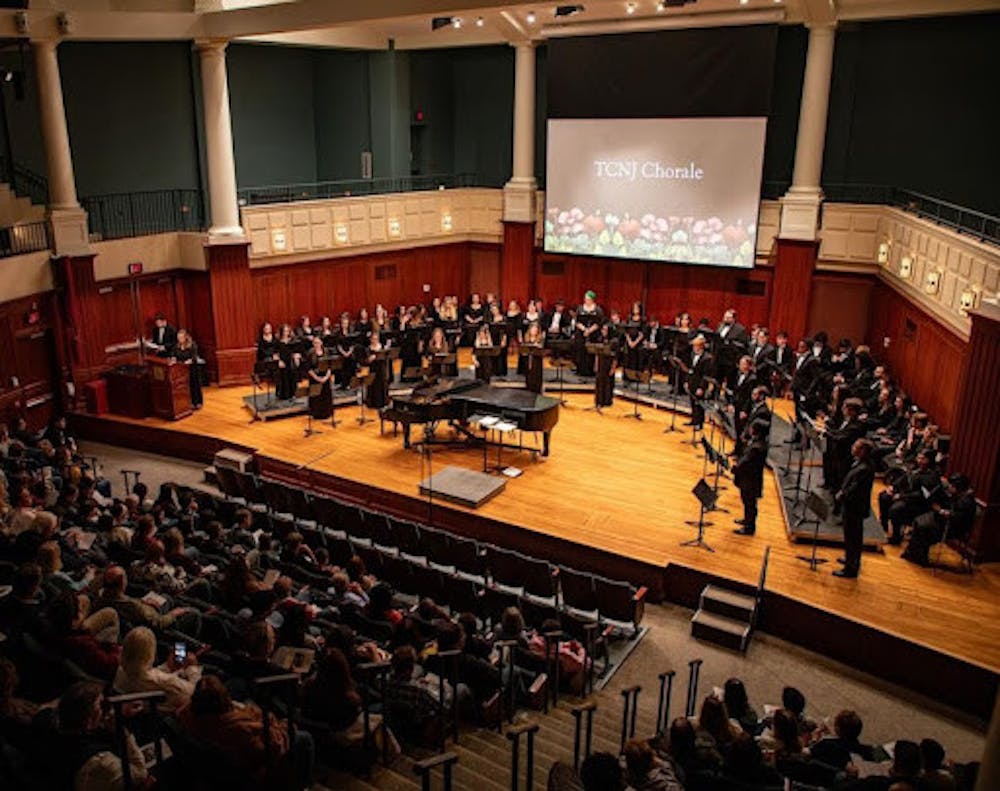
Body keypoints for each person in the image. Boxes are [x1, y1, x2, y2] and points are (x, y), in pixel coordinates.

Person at [50, 681, 148, 791]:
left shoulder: (54, 722)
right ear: (89, 721)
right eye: (102, 705)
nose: (107, 709)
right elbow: (140, 775)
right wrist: (121, 729)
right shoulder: (100, 762)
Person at [114, 625, 201, 712]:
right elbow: (194, 693)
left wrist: (167, 667)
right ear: (150, 653)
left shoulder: (119, 673)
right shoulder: (168, 682)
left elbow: (145, 673)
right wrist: (193, 668)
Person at [903, 473, 976, 566]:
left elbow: (956, 517)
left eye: (951, 485)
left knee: (923, 528)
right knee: (919, 521)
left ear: (957, 487)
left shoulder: (966, 501)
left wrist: (941, 511)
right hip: (948, 523)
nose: (949, 487)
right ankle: (914, 554)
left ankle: (919, 557)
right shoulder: (960, 495)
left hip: (955, 528)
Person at [834, 439, 876, 578]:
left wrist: (842, 494)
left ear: (863, 451)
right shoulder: (861, 463)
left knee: (853, 537)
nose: (852, 448)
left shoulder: (865, 468)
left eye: (856, 447)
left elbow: (855, 488)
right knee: (850, 536)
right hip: (853, 505)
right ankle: (849, 558)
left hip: (855, 506)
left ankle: (851, 568)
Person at [684, 335, 714, 431]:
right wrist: (687, 381)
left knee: (699, 404)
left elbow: (706, 375)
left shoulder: (707, 358)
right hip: (692, 381)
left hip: (700, 384)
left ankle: (699, 423)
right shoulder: (693, 354)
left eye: (695, 346)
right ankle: (694, 420)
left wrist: (701, 388)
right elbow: (690, 369)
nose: (693, 348)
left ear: (701, 346)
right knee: (692, 402)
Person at [171, 328, 204, 409]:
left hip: (192, 369)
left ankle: (197, 402)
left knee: (194, 386)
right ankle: (188, 402)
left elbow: (194, 357)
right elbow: (174, 354)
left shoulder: (192, 345)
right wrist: (173, 358)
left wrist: (189, 361)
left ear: (185, 337)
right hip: (181, 370)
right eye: (178, 338)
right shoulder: (176, 346)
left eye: (181, 338)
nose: (180, 339)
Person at [574, 291, 604, 376]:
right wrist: (584, 329)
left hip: (593, 334)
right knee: (581, 351)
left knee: (591, 352)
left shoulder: (598, 310)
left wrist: (589, 330)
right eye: (585, 299)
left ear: (592, 300)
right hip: (581, 334)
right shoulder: (580, 308)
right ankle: (580, 370)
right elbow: (577, 321)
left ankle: (590, 370)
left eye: (588, 299)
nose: (586, 300)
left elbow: (599, 323)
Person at [305, 336, 333, 420]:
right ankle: (316, 413)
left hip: (325, 377)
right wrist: (317, 378)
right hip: (315, 378)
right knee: (316, 396)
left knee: (325, 395)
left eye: (318, 342)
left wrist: (326, 377)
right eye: (314, 343)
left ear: (321, 343)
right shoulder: (310, 353)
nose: (316, 344)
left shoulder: (326, 351)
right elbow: (308, 369)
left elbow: (330, 366)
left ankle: (326, 413)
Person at [521, 321, 546, 394]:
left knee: (536, 375)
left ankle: (537, 390)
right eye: (532, 329)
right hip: (528, 360)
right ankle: (528, 388)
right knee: (528, 374)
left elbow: (542, 350)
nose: (534, 331)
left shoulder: (540, 339)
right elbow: (523, 350)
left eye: (535, 329)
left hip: (537, 359)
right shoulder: (526, 337)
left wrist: (538, 346)